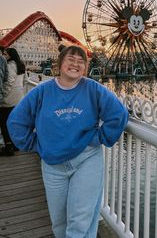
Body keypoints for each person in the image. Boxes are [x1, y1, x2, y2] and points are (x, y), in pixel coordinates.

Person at [7, 45, 129, 238]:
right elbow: (16, 121)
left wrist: (99, 138)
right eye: (71, 59)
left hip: (86, 160)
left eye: (81, 61)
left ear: (85, 68)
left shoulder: (93, 89)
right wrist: (34, 144)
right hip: (52, 165)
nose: (75, 64)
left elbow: (118, 115)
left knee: (79, 222)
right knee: (59, 222)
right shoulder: (42, 91)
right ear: (60, 64)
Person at [0, 47, 26, 156]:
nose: (4, 56)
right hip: (18, 98)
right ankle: (15, 145)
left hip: (8, 100)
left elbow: (8, 83)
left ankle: (8, 146)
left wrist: (2, 95)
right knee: (12, 123)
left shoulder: (10, 66)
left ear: (10, 55)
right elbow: (25, 81)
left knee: (4, 123)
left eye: (5, 54)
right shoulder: (21, 65)